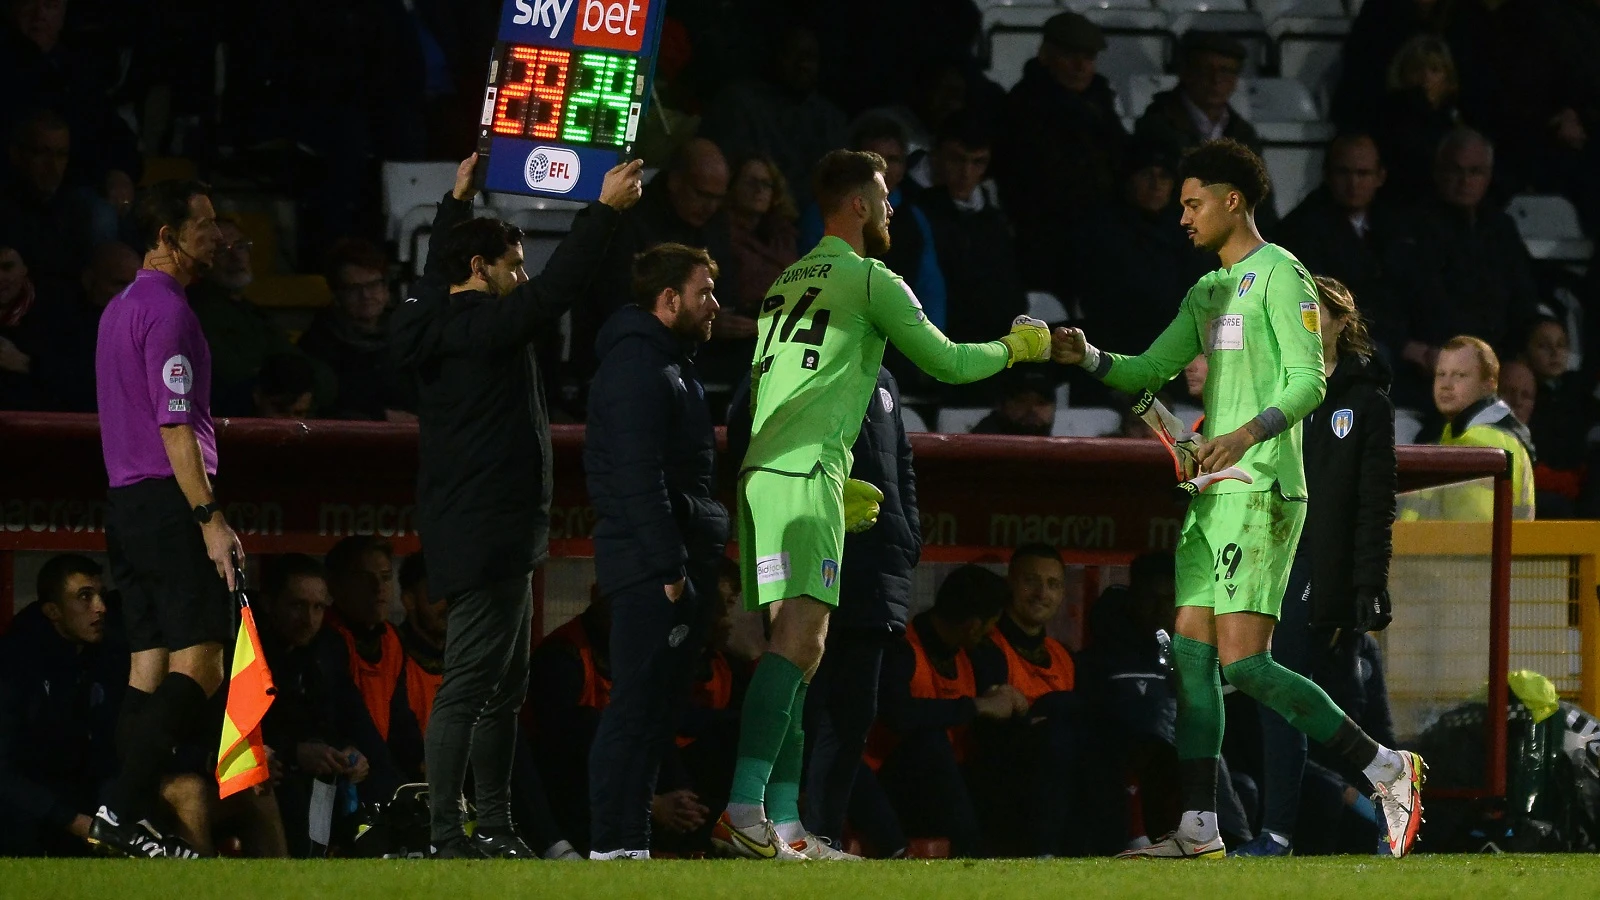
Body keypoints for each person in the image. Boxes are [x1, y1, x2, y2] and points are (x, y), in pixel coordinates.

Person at [1051, 139, 1424, 859]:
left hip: (1263, 490)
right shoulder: (1207, 291)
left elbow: (1309, 381)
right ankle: (1199, 826)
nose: (1182, 216)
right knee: (1192, 660)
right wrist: (1087, 355)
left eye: (1193, 203)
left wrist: (1246, 434)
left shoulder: (1283, 274)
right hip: (1211, 497)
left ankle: (1385, 766)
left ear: (1233, 201)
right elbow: (1147, 371)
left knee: (1244, 665)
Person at [710, 148, 1052, 861]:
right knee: (800, 645)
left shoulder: (784, 284)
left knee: (798, 653)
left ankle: (786, 828)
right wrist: (1018, 348)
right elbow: (949, 362)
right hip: (807, 473)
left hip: (765, 475)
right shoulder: (869, 277)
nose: (893, 209)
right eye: (886, 196)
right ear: (859, 205)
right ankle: (742, 809)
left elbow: (766, 391)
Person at [388, 152, 642, 859]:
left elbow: (441, 278)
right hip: (487, 531)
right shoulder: (476, 327)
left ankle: (496, 827)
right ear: (479, 269)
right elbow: (557, 290)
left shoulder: (432, 316)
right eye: (514, 266)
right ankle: (448, 834)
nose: (523, 278)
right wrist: (603, 211)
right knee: (470, 685)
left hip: (496, 530)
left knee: (503, 689)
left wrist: (454, 203)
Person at [89, 178, 243, 858]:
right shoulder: (169, 312)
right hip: (168, 501)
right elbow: (175, 425)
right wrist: (209, 517)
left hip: (125, 503)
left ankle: (131, 820)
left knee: (147, 668)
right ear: (166, 237)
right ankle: (117, 811)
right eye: (204, 224)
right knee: (203, 663)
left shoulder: (118, 307)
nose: (217, 235)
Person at [1232, 276, 1398, 857]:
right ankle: (1293, 830)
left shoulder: (1365, 402)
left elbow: (1375, 503)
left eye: (1315, 310)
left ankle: (1300, 829)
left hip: (1323, 571)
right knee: (1293, 700)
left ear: (1342, 321)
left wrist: (1368, 584)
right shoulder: (1272, 391)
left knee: (1326, 701)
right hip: (1273, 564)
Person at [728, 362, 921, 855]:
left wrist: (906, 534)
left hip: (874, 564)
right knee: (799, 694)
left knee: (853, 716)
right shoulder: (793, 356)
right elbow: (745, 439)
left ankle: (812, 834)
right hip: (806, 543)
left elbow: (901, 459)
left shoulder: (883, 377)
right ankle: (762, 818)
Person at [583, 242, 730, 859]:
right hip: (652, 567)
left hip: (672, 563)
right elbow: (637, 478)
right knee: (633, 711)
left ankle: (630, 845)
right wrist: (669, 567)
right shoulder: (638, 368)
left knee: (653, 714)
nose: (715, 305)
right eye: (704, 293)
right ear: (669, 300)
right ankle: (610, 845)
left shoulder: (668, 363)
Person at [863, 565, 1025, 858]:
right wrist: (975, 706)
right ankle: (973, 852)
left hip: (948, 784)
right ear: (973, 625)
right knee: (929, 740)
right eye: (989, 627)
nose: (990, 636)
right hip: (891, 787)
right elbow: (900, 716)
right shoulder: (901, 650)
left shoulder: (975, 656)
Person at [995, 11, 1127, 296]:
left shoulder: (1099, 102)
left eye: (1088, 57)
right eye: (1070, 56)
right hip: (1047, 242)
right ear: (1046, 55)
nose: (1080, 66)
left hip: (1100, 235)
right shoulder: (1023, 107)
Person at [0, 555, 119, 856]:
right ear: (53, 611)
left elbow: (109, 745)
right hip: (29, 808)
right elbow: (6, 772)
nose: (100, 607)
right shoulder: (16, 663)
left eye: (101, 595)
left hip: (79, 795)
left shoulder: (107, 652)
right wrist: (74, 821)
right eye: (84, 597)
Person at [1274, 134, 1421, 363]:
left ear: (1380, 177)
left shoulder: (1395, 224)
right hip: (1344, 345)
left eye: (1363, 173)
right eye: (1344, 173)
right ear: (1327, 175)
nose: (1353, 183)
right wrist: (1403, 345)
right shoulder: (1303, 228)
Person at [913, 112, 1028, 352]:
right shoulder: (907, 210)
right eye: (957, 160)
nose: (966, 173)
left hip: (993, 349)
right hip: (936, 349)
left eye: (978, 162)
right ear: (936, 155)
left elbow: (1010, 289)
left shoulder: (992, 217)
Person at [187, 218, 312, 417]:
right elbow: (229, 378)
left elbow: (304, 368)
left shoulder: (254, 314)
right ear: (200, 262)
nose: (236, 257)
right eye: (221, 250)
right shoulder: (192, 312)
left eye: (241, 246)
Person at [1415, 335, 1537, 520]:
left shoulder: (1484, 440)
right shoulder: (1456, 432)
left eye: (1460, 375)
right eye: (1441, 374)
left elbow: (1473, 532)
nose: (1446, 385)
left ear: (1489, 385)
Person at [300, 238, 414, 421]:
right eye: (354, 288)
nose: (366, 295)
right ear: (337, 295)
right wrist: (381, 416)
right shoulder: (318, 343)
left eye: (373, 284)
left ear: (386, 288)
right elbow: (327, 404)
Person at [1372, 36, 1464, 205]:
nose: (1425, 77)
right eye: (1416, 69)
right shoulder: (1388, 117)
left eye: (1435, 70)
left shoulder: (1453, 122)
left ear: (1448, 79)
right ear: (1403, 75)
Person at [1519, 317, 1593, 516]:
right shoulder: (1523, 395)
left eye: (1561, 345)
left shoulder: (1578, 393)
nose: (1555, 353)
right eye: (1544, 346)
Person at [971, 367, 1056, 436]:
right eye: (1022, 401)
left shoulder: (1054, 447)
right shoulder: (981, 444)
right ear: (1001, 406)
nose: (1032, 409)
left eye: (1041, 403)